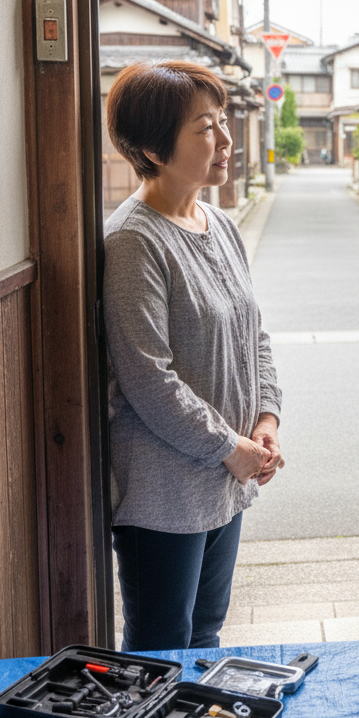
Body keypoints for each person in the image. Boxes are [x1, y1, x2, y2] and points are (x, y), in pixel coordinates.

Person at [103, 61, 284, 652]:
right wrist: (231, 447)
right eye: (205, 128)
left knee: (205, 632)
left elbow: (253, 333)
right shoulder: (133, 240)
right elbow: (146, 377)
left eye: (222, 120)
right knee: (161, 644)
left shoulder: (220, 223)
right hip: (164, 490)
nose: (226, 139)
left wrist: (265, 419)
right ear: (154, 150)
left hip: (225, 473)